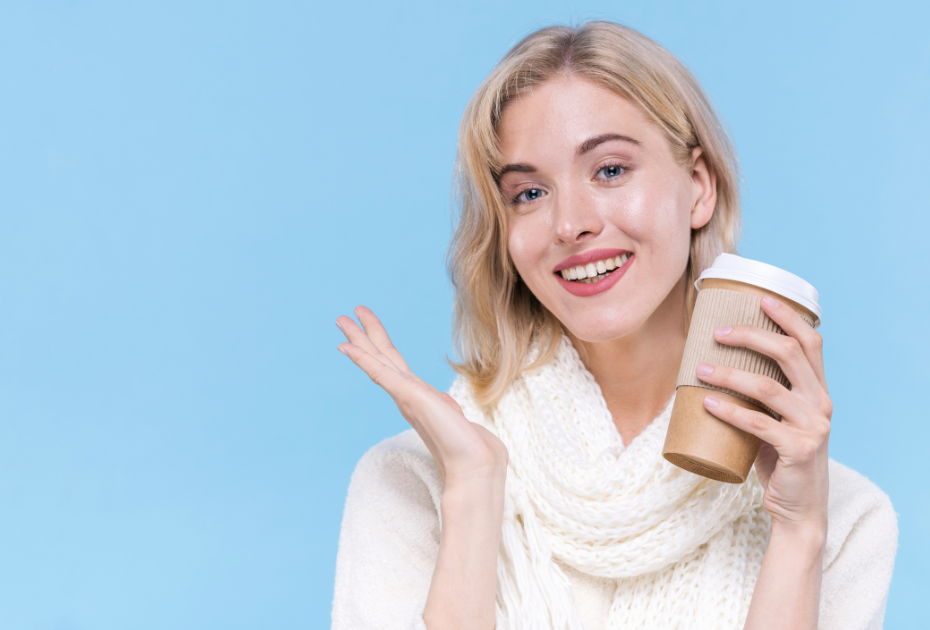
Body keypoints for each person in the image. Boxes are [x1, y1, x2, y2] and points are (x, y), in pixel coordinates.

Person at [330, 21, 897, 630]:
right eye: (528, 193)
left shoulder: (844, 518)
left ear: (699, 189)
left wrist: (797, 532)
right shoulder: (412, 480)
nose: (569, 223)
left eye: (609, 170)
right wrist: (473, 489)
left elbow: (808, 523)